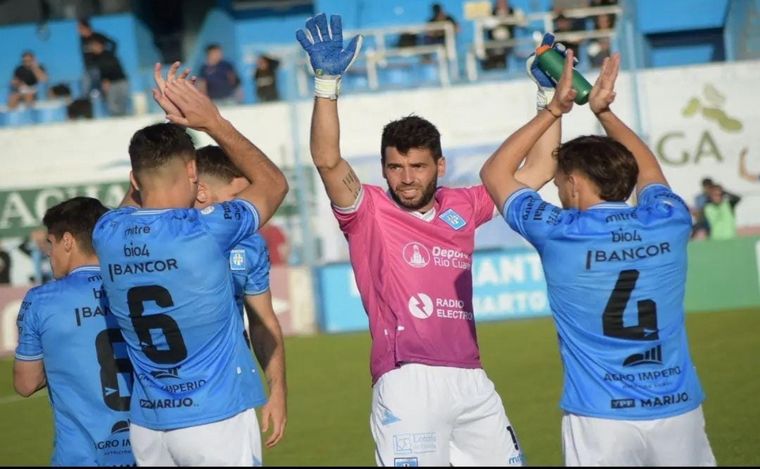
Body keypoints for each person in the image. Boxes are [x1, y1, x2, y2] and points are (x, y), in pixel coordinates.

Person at [296, 14, 560, 466]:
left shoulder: (465, 204)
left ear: (440, 165)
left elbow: (540, 170)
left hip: (471, 378)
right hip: (407, 380)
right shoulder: (368, 212)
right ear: (383, 169)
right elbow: (326, 159)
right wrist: (326, 85)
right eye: (395, 167)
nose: (406, 178)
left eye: (417, 166)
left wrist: (548, 98)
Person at [480, 51, 716, 466]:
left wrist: (554, 110)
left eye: (556, 183)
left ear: (573, 182)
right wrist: (604, 112)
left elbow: (495, 173)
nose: (555, 191)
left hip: (600, 417)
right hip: (678, 408)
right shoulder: (669, 220)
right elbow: (649, 171)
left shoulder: (558, 232)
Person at [91, 62, 288, 465]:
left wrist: (159, 141)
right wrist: (211, 121)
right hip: (214, 420)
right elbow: (273, 184)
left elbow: (138, 198)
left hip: (148, 426)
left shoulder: (107, 232)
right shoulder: (206, 231)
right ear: (194, 170)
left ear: (133, 179)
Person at [14, 197, 135, 466]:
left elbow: (26, 383)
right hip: (147, 448)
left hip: (82, 456)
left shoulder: (41, 300)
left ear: (67, 241)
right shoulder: (133, 285)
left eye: (51, 243)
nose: (49, 252)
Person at [194, 144, 288, 448]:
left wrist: (277, 390)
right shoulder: (166, 238)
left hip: (233, 394)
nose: (249, 214)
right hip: (163, 403)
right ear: (202, 193)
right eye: (237, 201)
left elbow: (262, 322)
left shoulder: (250, 245)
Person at [87, 36, 130, 116]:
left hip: (121, 80)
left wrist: (100, 35)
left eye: (94, 45)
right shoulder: (94, 58)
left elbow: (114, 43)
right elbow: (102, 71)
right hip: (110, 83)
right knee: (112, 105)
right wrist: (104, 81)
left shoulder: (110, 53)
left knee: (123, 102)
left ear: (100, 45)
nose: (93, 47)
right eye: (92, 46)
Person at [78, 18, 117, 94]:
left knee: (102, 90)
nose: (78, 31)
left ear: (86, 28)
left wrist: (109, 56)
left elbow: (114, 43)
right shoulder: (82, 39)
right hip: (87, 69)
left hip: (98, 68)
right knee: (86, 91)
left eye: (80, 28)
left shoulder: (97, 36)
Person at [482, 0, 518, 70]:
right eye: (500, 2)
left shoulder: (513, 11)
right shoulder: (491, 13)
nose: (502, 3)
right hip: (494, 45)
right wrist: (499, 21)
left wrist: (508, 19)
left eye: (504, 2)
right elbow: (485, 23)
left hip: (509, 44)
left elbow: (522, 21)